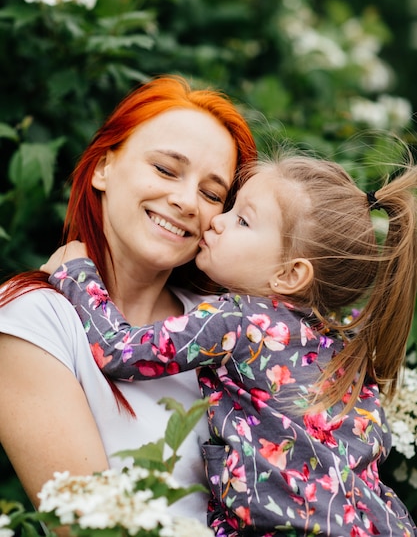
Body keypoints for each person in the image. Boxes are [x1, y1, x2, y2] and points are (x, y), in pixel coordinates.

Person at [42, 152, 417, 537]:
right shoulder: (348, 351)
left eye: (242, 220)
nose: (216, 221)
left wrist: (76, 272)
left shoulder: (236, 319)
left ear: (289, 274)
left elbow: (119, 350)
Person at [0, 75, 257, 523]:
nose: (186, 201)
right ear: (103, 167)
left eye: (212, 194)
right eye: (165, 169)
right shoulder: (32, 317)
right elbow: (88, 526)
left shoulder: (221, 324)